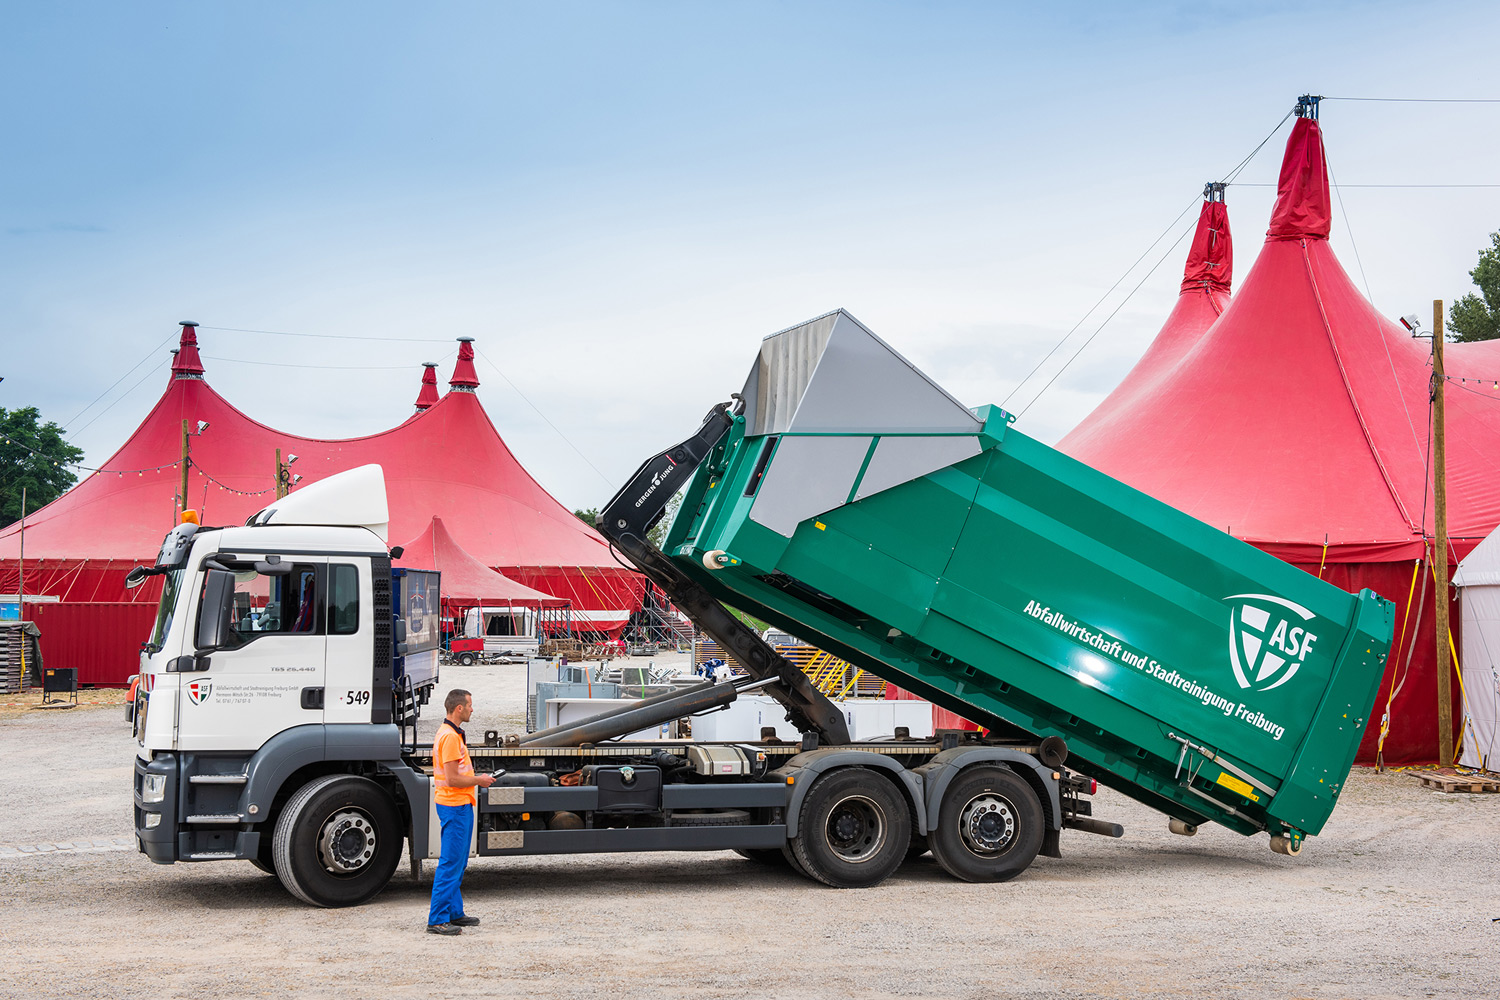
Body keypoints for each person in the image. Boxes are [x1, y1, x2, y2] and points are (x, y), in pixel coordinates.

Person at [427, 688, 495, 935]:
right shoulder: (450, 737)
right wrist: (480, 780)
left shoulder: (452, 733)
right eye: (469, 705)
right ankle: (437, 919)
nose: (472, 709)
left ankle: (454, 912)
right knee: (451, 863)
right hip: (454, 804)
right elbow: (454, 779)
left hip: (459, 804)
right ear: (459, 708)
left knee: (458, 862)